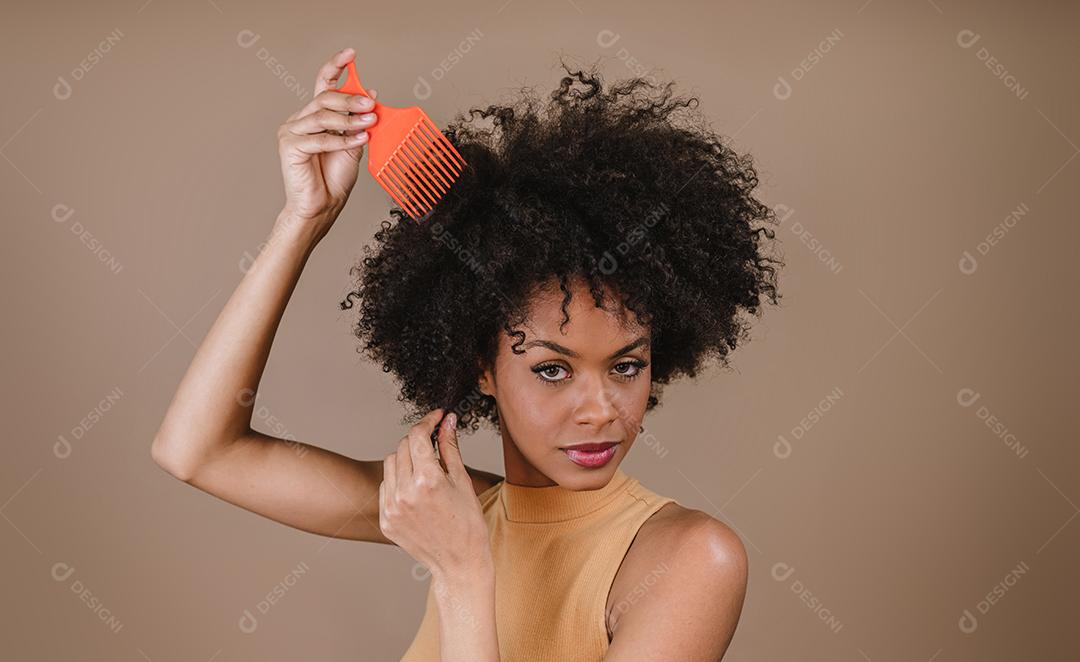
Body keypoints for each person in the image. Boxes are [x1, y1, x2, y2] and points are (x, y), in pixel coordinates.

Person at [151, 47, 782, 661]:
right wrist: (303, 219)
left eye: (625, 366)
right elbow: (198, 451)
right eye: (552, 369)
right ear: (481, 365)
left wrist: (461, 573)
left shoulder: (690, 558)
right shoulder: (464, 510)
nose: (600, 410)